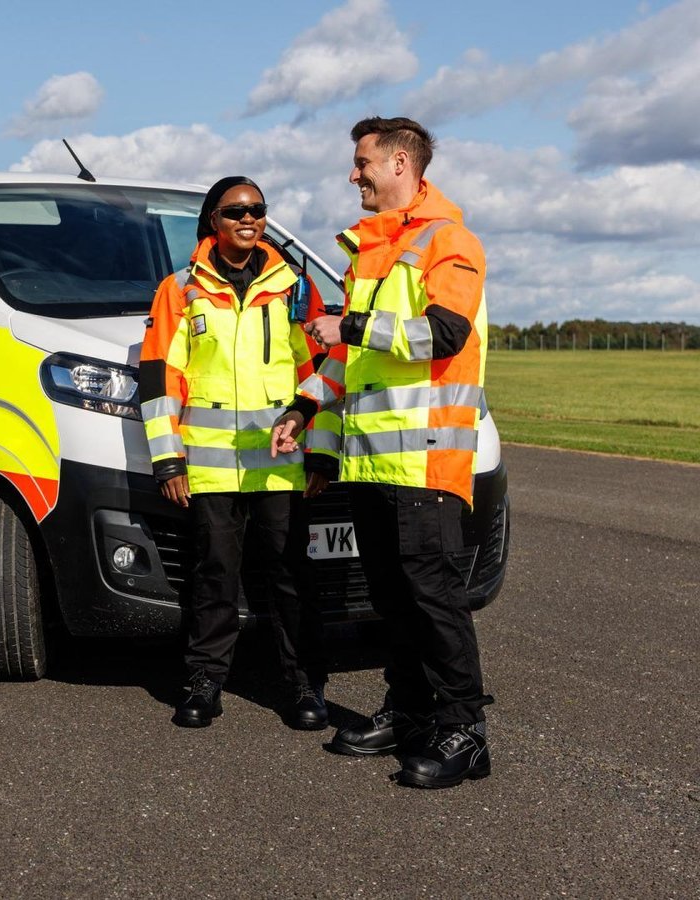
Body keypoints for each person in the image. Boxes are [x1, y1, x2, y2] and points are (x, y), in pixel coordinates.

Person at [272, 116, 493, 789]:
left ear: (401, 162)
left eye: (362, 162)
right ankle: (410, 710)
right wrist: (307, 403)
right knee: (393, 600)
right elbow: (350, 356)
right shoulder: (369, 252)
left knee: (433, 599)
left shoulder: (449, 241)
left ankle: (465, 731)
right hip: (371, 461)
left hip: (426, 459)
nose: (353, 175)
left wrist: (355, 323)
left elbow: (446, 334)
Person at [139, 176, 337, 731]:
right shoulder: (178, 289)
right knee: (214, 576)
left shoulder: (295, 287)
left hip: (282, 464)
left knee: (292, 576)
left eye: (258, 210)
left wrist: (321, 454)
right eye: (235, 211)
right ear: (213, 221)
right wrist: (168, 458)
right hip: (209, 463)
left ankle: (304, 686)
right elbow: (159, 379)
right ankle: (204, 682)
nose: (249, 219)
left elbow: (322, 375)